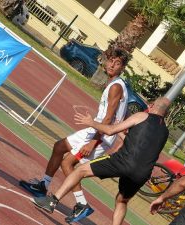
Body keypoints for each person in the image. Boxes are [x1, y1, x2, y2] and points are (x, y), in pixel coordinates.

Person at [19, 48, 130, 223]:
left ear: (122, 68)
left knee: (67, 164)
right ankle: (43, 186)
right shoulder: (115, 84)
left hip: (100, 135)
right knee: (59, 146)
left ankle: (82, 204)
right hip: (96, 130)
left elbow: (109, 117)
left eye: (117, 63)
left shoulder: (116, 86)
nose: (112, 65)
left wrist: (92, 143)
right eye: (111, 61)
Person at [32, 97, 171, 225]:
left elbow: (110, 130)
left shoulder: (142, 116)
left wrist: (91, 122)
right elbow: (140, 144)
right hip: (143, 172)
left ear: (151, 106)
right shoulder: (165, 131)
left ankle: (52, 201)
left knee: (80, 170)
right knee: (122, 201)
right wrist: (123, 134)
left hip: (123, 161)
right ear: (166, 113)